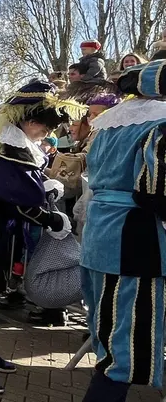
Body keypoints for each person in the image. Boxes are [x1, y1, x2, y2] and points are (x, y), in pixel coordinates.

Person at [0, 80, 84, 394]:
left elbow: (18, 186)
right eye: (45, 129)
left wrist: (42, 188)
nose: (46, 135)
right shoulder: (3, 144)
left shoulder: (8, 137)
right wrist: (50, 218)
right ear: (31, 121)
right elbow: (12, 198)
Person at [80, 60, 166, 402]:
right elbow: (155, 192)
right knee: (125, 351)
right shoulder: (159, 123)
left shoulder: (115, 121)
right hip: (134, 243)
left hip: (100, 235)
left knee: (108, 339)